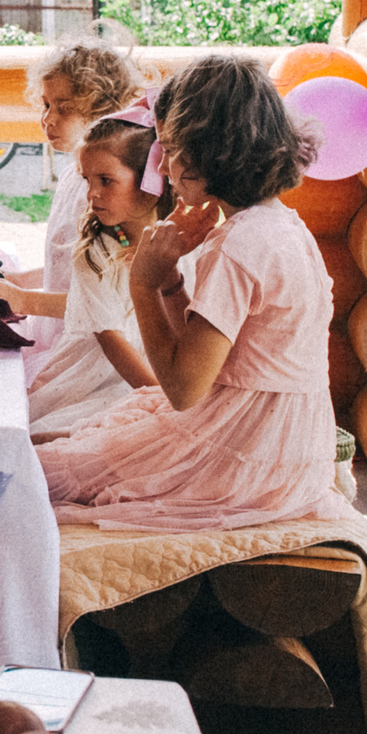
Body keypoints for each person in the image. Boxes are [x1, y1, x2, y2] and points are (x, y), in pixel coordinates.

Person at [40, 53, 341, 529]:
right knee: (67, 450)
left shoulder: (243, 244)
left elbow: (182, 390)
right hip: (288, 442)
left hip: (247, 449)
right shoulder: (281, 224)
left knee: (46, 476)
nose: (163, 166)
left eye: (169, 149)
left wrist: (144, 282)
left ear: (205, 153)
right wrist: (172, 280)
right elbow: (205, 350)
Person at [25, 108, 169, 441]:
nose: (92, 193)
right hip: (100, 378)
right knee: (72, 435)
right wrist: (161, 397)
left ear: (151, 181)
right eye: (87, 180)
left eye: (106, 180)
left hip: (161, 369)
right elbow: (113, 341)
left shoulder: (180, 242)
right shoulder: (95, 253)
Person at [0, 41, 143, 334]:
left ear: (105, 110)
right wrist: (22, 281)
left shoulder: (107, 194)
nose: (47, 119)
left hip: (92, 340)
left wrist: (24, 301)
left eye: (65, 108)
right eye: (47, 105)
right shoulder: (75, 175)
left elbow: (107, 297)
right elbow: (75, 267)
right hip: (58, 327)